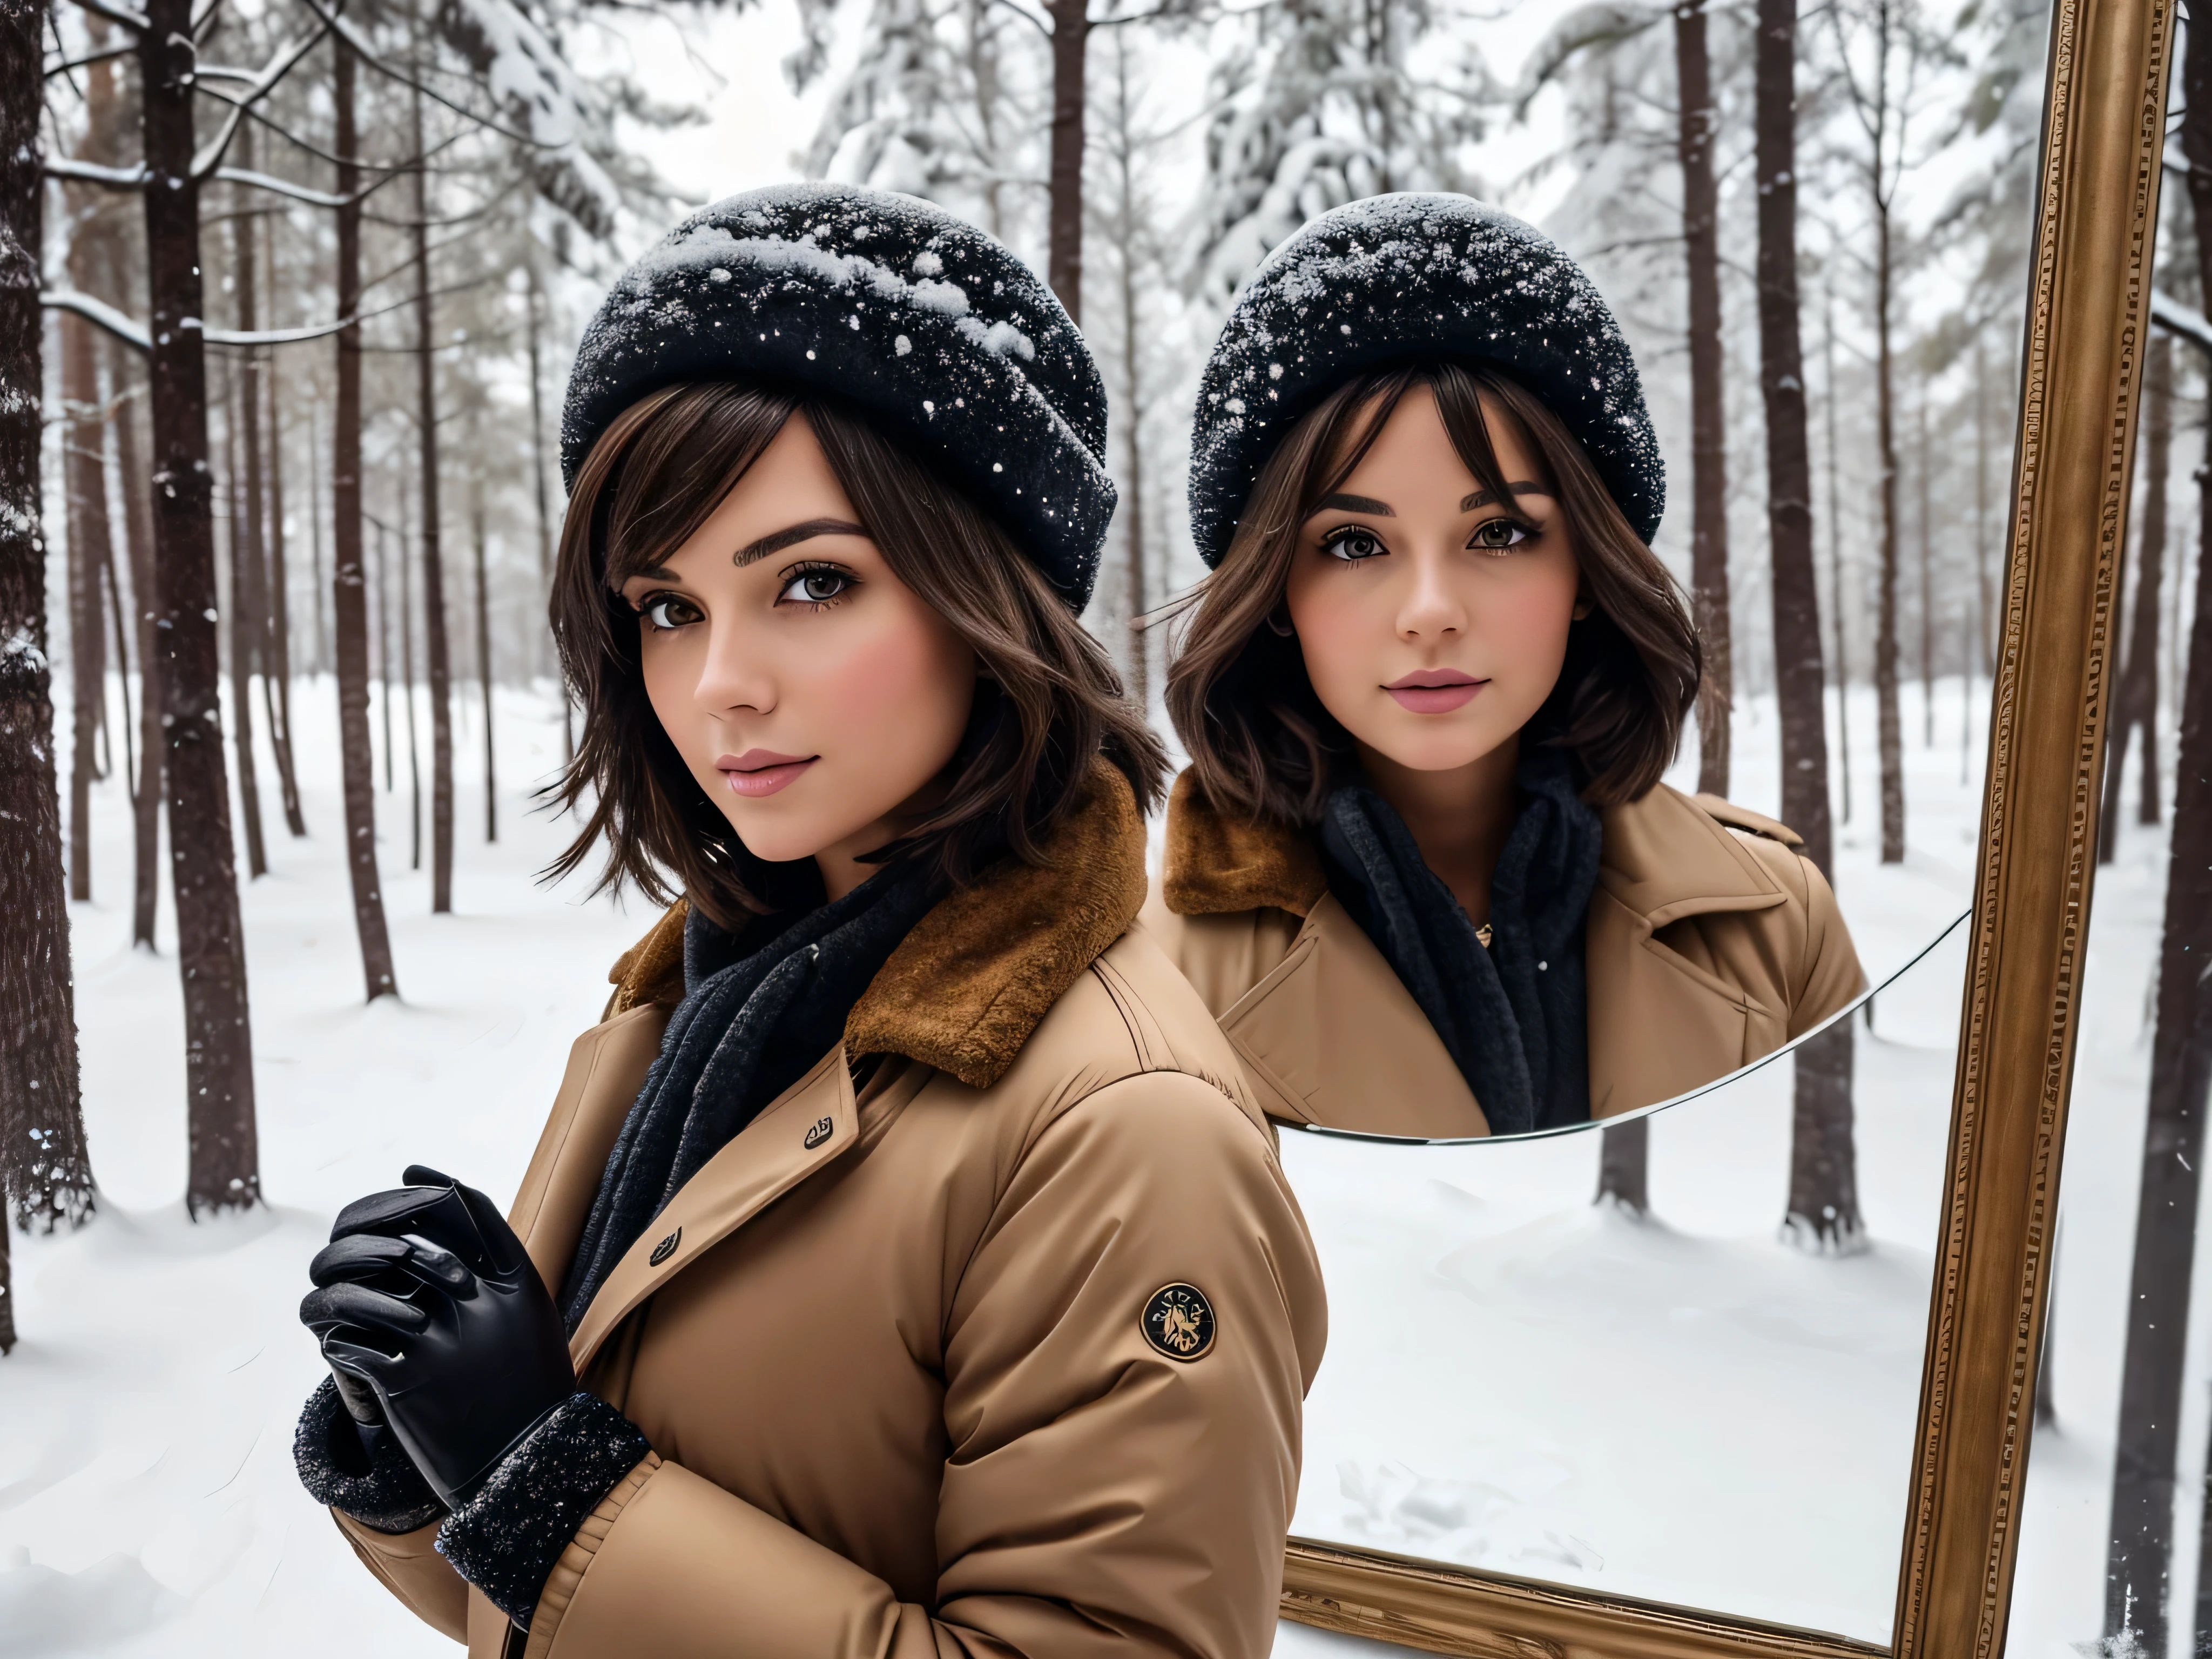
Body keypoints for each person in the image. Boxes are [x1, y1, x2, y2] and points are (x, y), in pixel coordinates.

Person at [289, 183, 1325, 1659]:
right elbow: (541, 1607)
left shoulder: (1124, 1130)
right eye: (667, 606)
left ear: (992, 601)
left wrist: (544, 1482)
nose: (719, 683)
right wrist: (434, 1442)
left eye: (812, 582)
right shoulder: (704, 1003)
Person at [1148, 193, 1864, 1139]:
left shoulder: (1777, 924)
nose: (1432, 612)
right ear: (1277, 591)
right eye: (1356, 544)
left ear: (1585, 570)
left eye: (1499, 531)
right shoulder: (1148, 981)